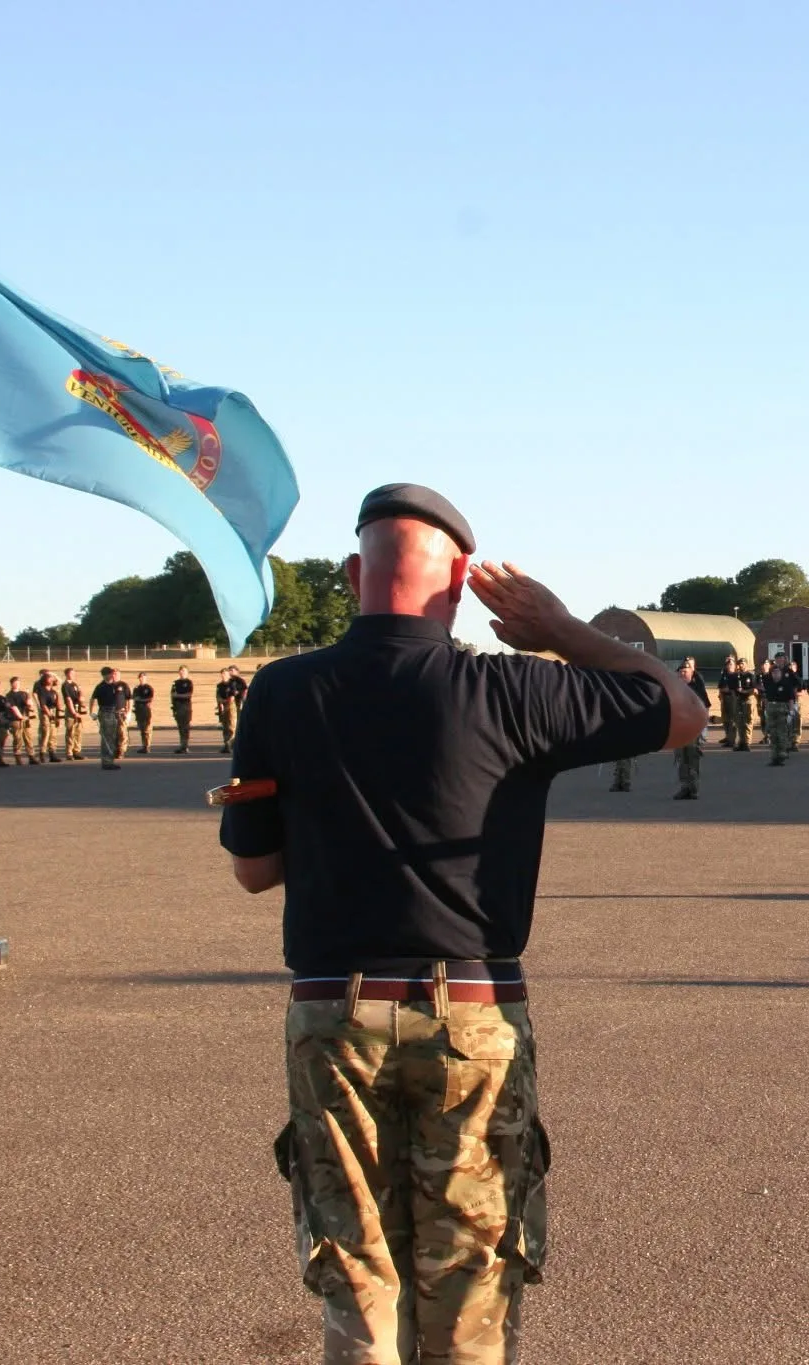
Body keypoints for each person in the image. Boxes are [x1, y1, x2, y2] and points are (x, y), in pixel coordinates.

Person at [217, 482, 704, 1365]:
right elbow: (681, 712)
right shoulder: (512, 687)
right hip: (470, 1011)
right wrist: (561, 629)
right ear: (459, 583)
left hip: (334, 1009)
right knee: (472, 1284)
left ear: (354, 573)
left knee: (358, 1281)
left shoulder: (282, 690)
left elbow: (254, 870)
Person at [673, 658, 708, 799]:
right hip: (679, 729)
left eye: (685, 671)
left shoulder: (697, 687)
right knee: (681, 759)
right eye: (681, 671)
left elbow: (705, 707)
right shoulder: (675, 689)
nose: (683, 674)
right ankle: (684, 787)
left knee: (692, 758)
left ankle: (693, 789)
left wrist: (703, 728)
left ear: (691, 672)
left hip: (693, 729)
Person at [760, 657, 801, 766]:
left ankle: (782, 754)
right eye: (773, 673)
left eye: (777, 672)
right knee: (772, 734)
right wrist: (765, 710)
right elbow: (766, 698)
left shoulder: (786, 685)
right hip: (771, 710)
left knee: (781, 733)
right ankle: (774, 756)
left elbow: (791, 699)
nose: (775, 674)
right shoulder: (769, 684)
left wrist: (791, 712)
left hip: (782, 710)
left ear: (781, 674)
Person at [93, 666, 131, 770]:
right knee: (107, 737)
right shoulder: (101, 686)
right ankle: (107, 761)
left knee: (112, 737)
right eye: (109, 674)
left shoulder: (115, 685)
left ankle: (110, 759)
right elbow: (93, 698)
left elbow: (126, 698)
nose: (111, 676)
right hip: (106, 713)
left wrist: (126, 711)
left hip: (114, 713)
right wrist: (92, 712)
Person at [34, 669, 63, 763]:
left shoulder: (53, 691)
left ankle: (52, 753)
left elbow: (58, 704)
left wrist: (58, 716)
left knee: (53, 734)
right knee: (45, 733)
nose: (52, 679)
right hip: (46, 714)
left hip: (53, 712)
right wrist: (49, 715)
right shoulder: (42, 690)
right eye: (50, 678)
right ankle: (42, 753)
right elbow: (43, 705)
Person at [216, 665, 247, 753]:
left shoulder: (236, 682)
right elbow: (218, 695)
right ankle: (227, 744)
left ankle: (231, 745)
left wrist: (242, 702)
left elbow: (237, 694)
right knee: (225, 726)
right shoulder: (220, 685)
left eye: (232, 671)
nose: (224, 675)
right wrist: (221, 703)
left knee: (232, 726)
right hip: (223, 706)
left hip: (233, 705)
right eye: (223, 674)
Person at [6, 676, 36, 765]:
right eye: (15, 683)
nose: (17, 684)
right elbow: (13, 707)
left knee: (28, 738)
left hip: (26, 719)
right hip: (15, 720)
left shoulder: (23, 694)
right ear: (11, 684)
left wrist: (29, 703)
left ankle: (31, 756)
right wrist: (20, 716)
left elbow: (30, 705)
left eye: (18, 683)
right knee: (18, 739)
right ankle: (18, 757)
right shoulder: (9, 695)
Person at [62, 669, 87, 760]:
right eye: (71, 673)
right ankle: (69, 752)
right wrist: (73, 712)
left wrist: (81, 695)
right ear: (66, 674)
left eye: (74, 673)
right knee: (70, 732)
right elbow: (68, 699)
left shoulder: (74, 684)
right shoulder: (65, 685)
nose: (73, 675)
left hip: (78, 709)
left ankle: (76, 751)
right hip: (71, 710)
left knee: (78, 731)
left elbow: (80, 697)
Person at [170, 666, 195, 753]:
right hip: (177, 707)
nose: (182, 672)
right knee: (180, 727)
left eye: (184, 671)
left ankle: (185, 746)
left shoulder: (189, 682)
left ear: (187, 672)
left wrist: (178, 695)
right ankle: (182, 745)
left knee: (185, 727)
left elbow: (188, 695)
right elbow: (172, 695)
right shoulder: (175, 683)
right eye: (181, 671)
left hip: (186, 707)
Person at [131, 672, 157, 754]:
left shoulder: (148, 688)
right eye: (140, 677)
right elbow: (133, 698)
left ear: (146, 678)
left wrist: (141, 700)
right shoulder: (136, 688)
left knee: (147, 728)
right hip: (138, 710)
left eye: (143, 677)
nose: (141, 678)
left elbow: (151, 699)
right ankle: (144, 745)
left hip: (146, 710)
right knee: (141, 728)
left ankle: (147, 746)